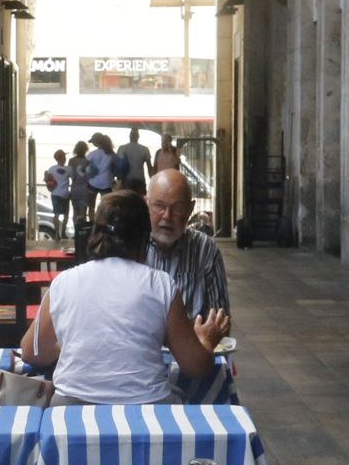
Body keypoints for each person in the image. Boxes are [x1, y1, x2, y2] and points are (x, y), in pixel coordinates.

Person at [21, 190, 227, 404]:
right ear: (144, 238)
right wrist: (206, 340)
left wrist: (71, 345)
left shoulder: (64, 282)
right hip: (147, 409)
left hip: (70, 410)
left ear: (95, 233)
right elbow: (194, 366)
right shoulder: (161, 285)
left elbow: (30, 352)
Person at [145, 167, 229, 322]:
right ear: (146, 205)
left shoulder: (205, 249)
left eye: (177, 208)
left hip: (192, 337)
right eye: (159, 206)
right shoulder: (130, 246)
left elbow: (219, 320)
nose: (167, 216)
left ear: (190, 210)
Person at [67, 141, 97, 256]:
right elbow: (91, 174)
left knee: (75, 211)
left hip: (75, 187)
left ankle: (76, 230)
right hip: (85, 188)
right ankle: (83, 231)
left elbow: (70, 175)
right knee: (83, 211)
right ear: (85, 149)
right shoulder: (88, 161)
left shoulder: (71, 161)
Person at [41, 147, 73, 242]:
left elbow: (46, 179)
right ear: (63, 158)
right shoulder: (69, 169)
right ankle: (63, 232)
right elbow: (74, 178)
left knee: (56, 214)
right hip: (65, 194)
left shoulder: (52, 169)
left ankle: (56, 234)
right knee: (66, 215)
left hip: (55, 193)